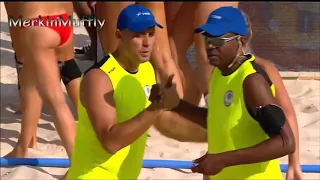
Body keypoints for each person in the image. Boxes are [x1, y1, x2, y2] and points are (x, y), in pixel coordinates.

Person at [164, 6, 295, 179]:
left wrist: (223, 159)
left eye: (218, 40)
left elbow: (285, 141)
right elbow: (218, 120)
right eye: (207, 38)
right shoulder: (219, 73)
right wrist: (177, 105)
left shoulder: (252, 81)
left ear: (240, 40)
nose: (210, 45)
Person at [67, 4, 180, 179]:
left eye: (151, 34)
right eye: (138, 35)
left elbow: (148, 119)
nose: (146, 43)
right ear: (119, 36)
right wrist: (157, 107)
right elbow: (110, 142)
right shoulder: (99, 78)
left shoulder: (147, 70)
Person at [4, 2, 76, 160]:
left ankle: (77, 164)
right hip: (61, 18)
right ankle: (22, 147)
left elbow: (13, 9)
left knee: (55, 99)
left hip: (36, 24)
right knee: (29, 84)